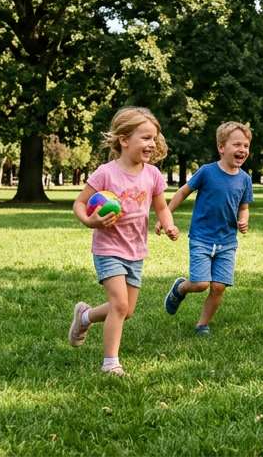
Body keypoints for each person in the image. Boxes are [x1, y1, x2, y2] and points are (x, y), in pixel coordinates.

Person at [68, 107, 178, 376]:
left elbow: (161, 207)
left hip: (136, 250)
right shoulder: (106, 172)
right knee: (119, 305)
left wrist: (168, 223)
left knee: (126, 311)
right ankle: (110, 363)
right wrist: (90, 222)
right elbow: (79, 204)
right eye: (145, 138)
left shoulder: (152, 174)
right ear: (124, 140)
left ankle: (84, 317)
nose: (151, 144)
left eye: (154, 138)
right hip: (108, 249)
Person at [163, 121, 253, 336]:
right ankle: (180, 289)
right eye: (237, 144)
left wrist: (243, 219)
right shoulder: (207, 172)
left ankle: (202, 325)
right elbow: (183, 192)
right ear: (221, 147)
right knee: (201, 283)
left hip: (227, 241)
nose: (242, 150)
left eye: (246, 146)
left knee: (219, 286)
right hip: (202, 237)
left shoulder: (245, 179)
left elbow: (244, 206)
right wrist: (166, 214)